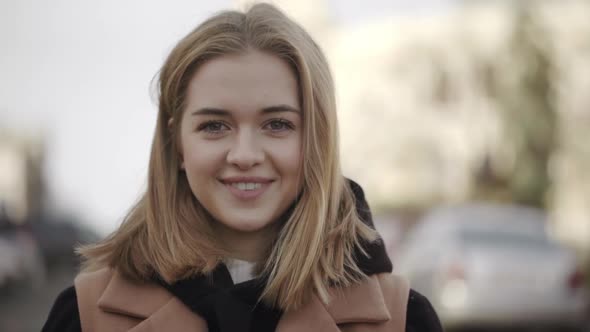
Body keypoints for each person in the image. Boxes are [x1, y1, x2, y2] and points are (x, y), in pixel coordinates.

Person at [42, 3, 443, 332]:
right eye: (215, 126)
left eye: (277, 124)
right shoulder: (85, 314)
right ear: (176, 144)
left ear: (316, 141)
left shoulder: (404, 318)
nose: (245, 154)